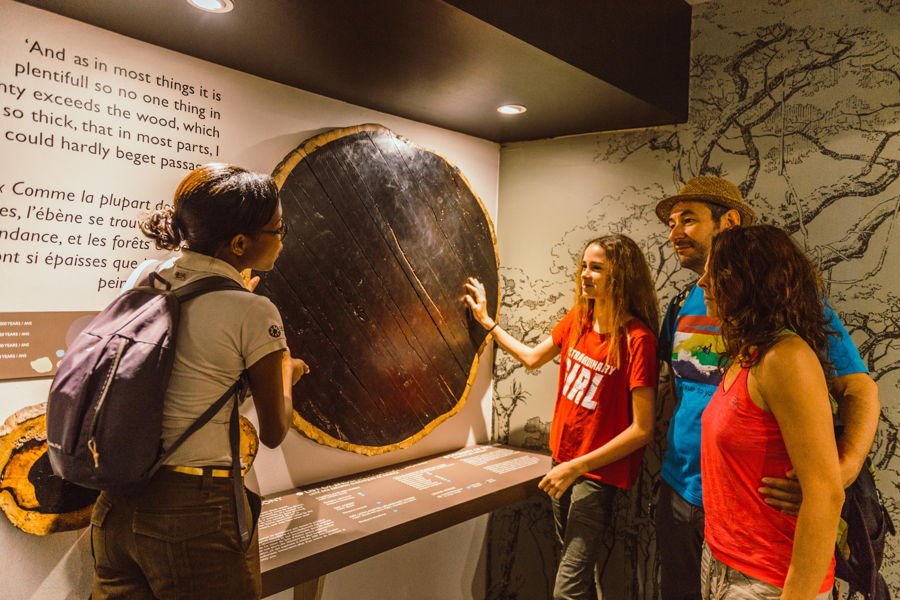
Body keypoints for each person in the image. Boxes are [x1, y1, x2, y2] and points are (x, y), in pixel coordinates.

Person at [654, 176, 880, 600]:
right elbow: (675, 390)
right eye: (671, 223)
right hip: (685, 494)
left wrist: (840, 473)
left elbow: (859, 389)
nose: (674, 233)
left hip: (762, 520)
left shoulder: (785, 315)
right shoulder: (682, 304)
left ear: (729, 221)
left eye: (688, 219)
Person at [90, 163, 308, 599]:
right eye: (277, 229)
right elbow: (273, 431)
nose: (282, 239)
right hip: (193, 512)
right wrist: (287, 371)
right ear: (240, 243)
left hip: (116, 505)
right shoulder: (254, 311)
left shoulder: (145, 276)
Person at [464, 234, 659, 600]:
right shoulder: (578, 320)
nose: (585, 274)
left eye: (597, 268)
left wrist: (576, 467)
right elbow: (531, 358)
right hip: (562, 461)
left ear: (621, 275)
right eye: (584, 266)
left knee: (567, 590)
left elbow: (642, 429)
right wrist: (487, 322)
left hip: (595, 475)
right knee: (578, 582)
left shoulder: (637, 339)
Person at [698, 224, 844, 599]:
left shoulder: (787, 358)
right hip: (723, 561)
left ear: (749, 280)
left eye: (715, 273)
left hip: (768, 578)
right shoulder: (751, 352)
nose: (702, 283)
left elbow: (826, 494)